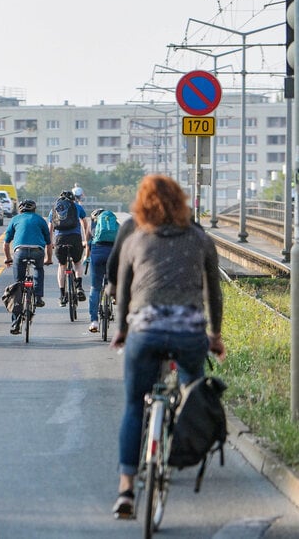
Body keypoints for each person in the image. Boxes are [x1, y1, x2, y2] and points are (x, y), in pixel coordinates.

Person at [110, 174, 226, 519]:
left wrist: (120, 330)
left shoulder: (136, 240)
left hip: (144, 333)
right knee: (193, 393)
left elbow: (123, 293)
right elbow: (214, 293)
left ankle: (126, 490)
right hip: (189, 335)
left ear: (141, 205)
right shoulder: (200, 239)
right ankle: (181, 439)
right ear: (181, 203)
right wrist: (215, 335)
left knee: (133, 405)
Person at [2, 199, 52, 335]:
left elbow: (6, 244)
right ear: (34, 209)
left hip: (20, 251)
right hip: (37, 251)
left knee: (18, 285)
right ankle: (38, 297)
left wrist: (8, 258)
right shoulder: (40, 220)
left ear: (20, 209)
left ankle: (15, 323)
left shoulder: (15, 219)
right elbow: (49, 243)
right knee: (38, 269)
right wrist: (49, 259)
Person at [49, 190, 87, 306]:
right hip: (75, 238)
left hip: (60, 239)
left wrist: (51, 242)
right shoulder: (77, 207)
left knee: (62, 265)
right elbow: (85, 223)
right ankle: (79, 286)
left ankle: (62, 295)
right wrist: (85, 239)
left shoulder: (55, 208)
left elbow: (50, 227)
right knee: (77, 262)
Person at [86, 208, 118, 333]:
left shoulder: (92, 225)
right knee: (115, 280)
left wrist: (86, 257)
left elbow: (87, 243)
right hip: (113, 254)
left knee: (95, 288)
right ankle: (115, 295)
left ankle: (94, 322)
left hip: (97, 254)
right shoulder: (116, 225)